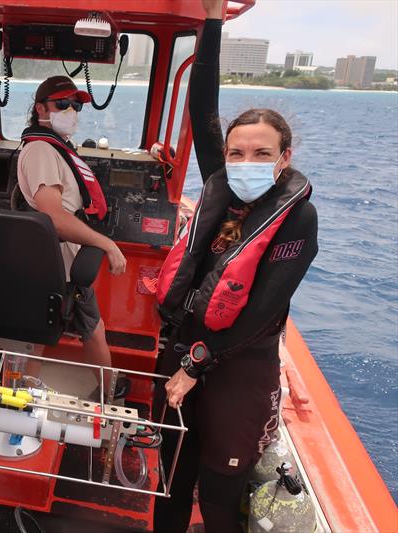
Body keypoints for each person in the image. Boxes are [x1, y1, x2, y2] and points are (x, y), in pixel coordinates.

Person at [152, 1, 319, 531]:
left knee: (220, 496)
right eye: (237, 153)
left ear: (284, 157)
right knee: (169, 481)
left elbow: (261, 313)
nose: (247, 164)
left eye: (261, 153)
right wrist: (211, 20)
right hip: (183, 350)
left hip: (236, 370)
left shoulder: (298, 219)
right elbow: (203, 105)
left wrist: (195, 367)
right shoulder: (223, 187)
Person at [16, 75, 128, 402]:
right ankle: (109, 394)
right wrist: (107, 244)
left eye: (75, 105)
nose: (71, 111)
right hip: (60, 262)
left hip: (59, 259)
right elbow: (53, 216)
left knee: (50, 330)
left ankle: (21, 392)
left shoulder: (55, 148)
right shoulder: (40, 150)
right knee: (89, 328)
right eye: (62, 104)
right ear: (40, 109)